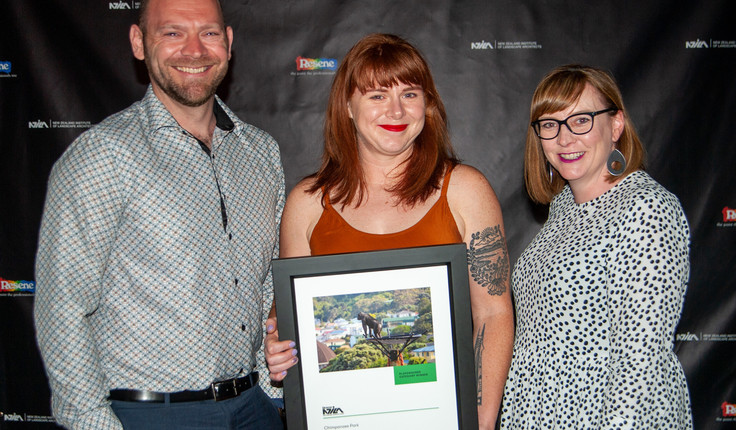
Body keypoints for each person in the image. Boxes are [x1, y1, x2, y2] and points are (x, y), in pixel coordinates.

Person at [33, 0, 284, 428]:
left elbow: (265, 284)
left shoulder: (261, 153)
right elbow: (62, 307)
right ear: (138, 42)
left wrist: (272, 392)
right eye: (172, 33)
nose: (194, 49)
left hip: (254, 408)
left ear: (228, 42)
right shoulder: (103, 157)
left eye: (208, 32)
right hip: (149, 415)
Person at [264, 33, 514, 429]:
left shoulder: (465, 189)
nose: (396, 110)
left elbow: (493, 312)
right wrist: (278, 341)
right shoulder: (308, 202)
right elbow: (288, 306)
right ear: (348, 106)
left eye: (410, 94)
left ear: (428, 105)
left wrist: (481, 416)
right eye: (377, 95)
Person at [500, 65, 693, 429]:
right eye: (550, 124)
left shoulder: (645, 208)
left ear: (616, 125)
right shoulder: (562, 208)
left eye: (581, 120)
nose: (564, 138)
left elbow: (640, 359)